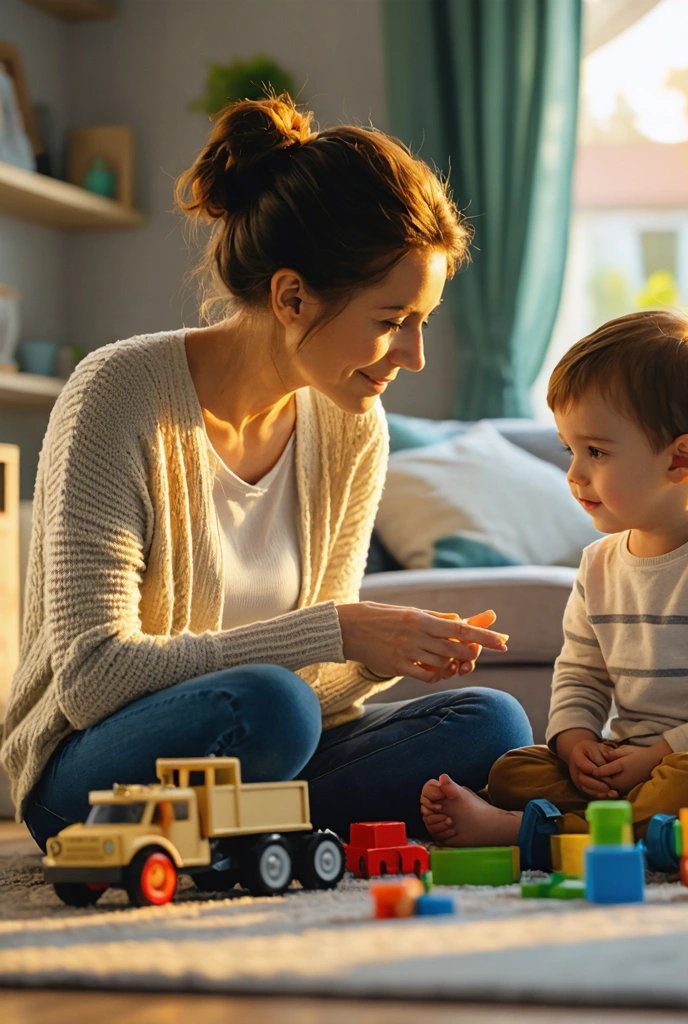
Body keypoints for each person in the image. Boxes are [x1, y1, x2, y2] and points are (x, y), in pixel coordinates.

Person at [2, 95, 533, 851]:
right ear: (291, 296)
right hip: (90, 770)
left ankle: (253, 836)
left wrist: (387, 652)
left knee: (490, 721)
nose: (412, 356)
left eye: (423, 322)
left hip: (267, 746)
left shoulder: (351, 426)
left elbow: (322, 685)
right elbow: (91, 680)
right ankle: (256, 831)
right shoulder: (117, 394)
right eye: (390, 322)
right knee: (272, 706)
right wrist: (338, 629)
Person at [421, 309, 688, 846]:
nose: (575, 473)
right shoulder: (598, 565)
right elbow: (581, 674)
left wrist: (660, 755)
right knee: (514, 770)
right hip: (632, 763)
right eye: (571, 449)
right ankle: (614, 825)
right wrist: (576, 741)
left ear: (679, 459)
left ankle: (535, 835)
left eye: (597, 452)